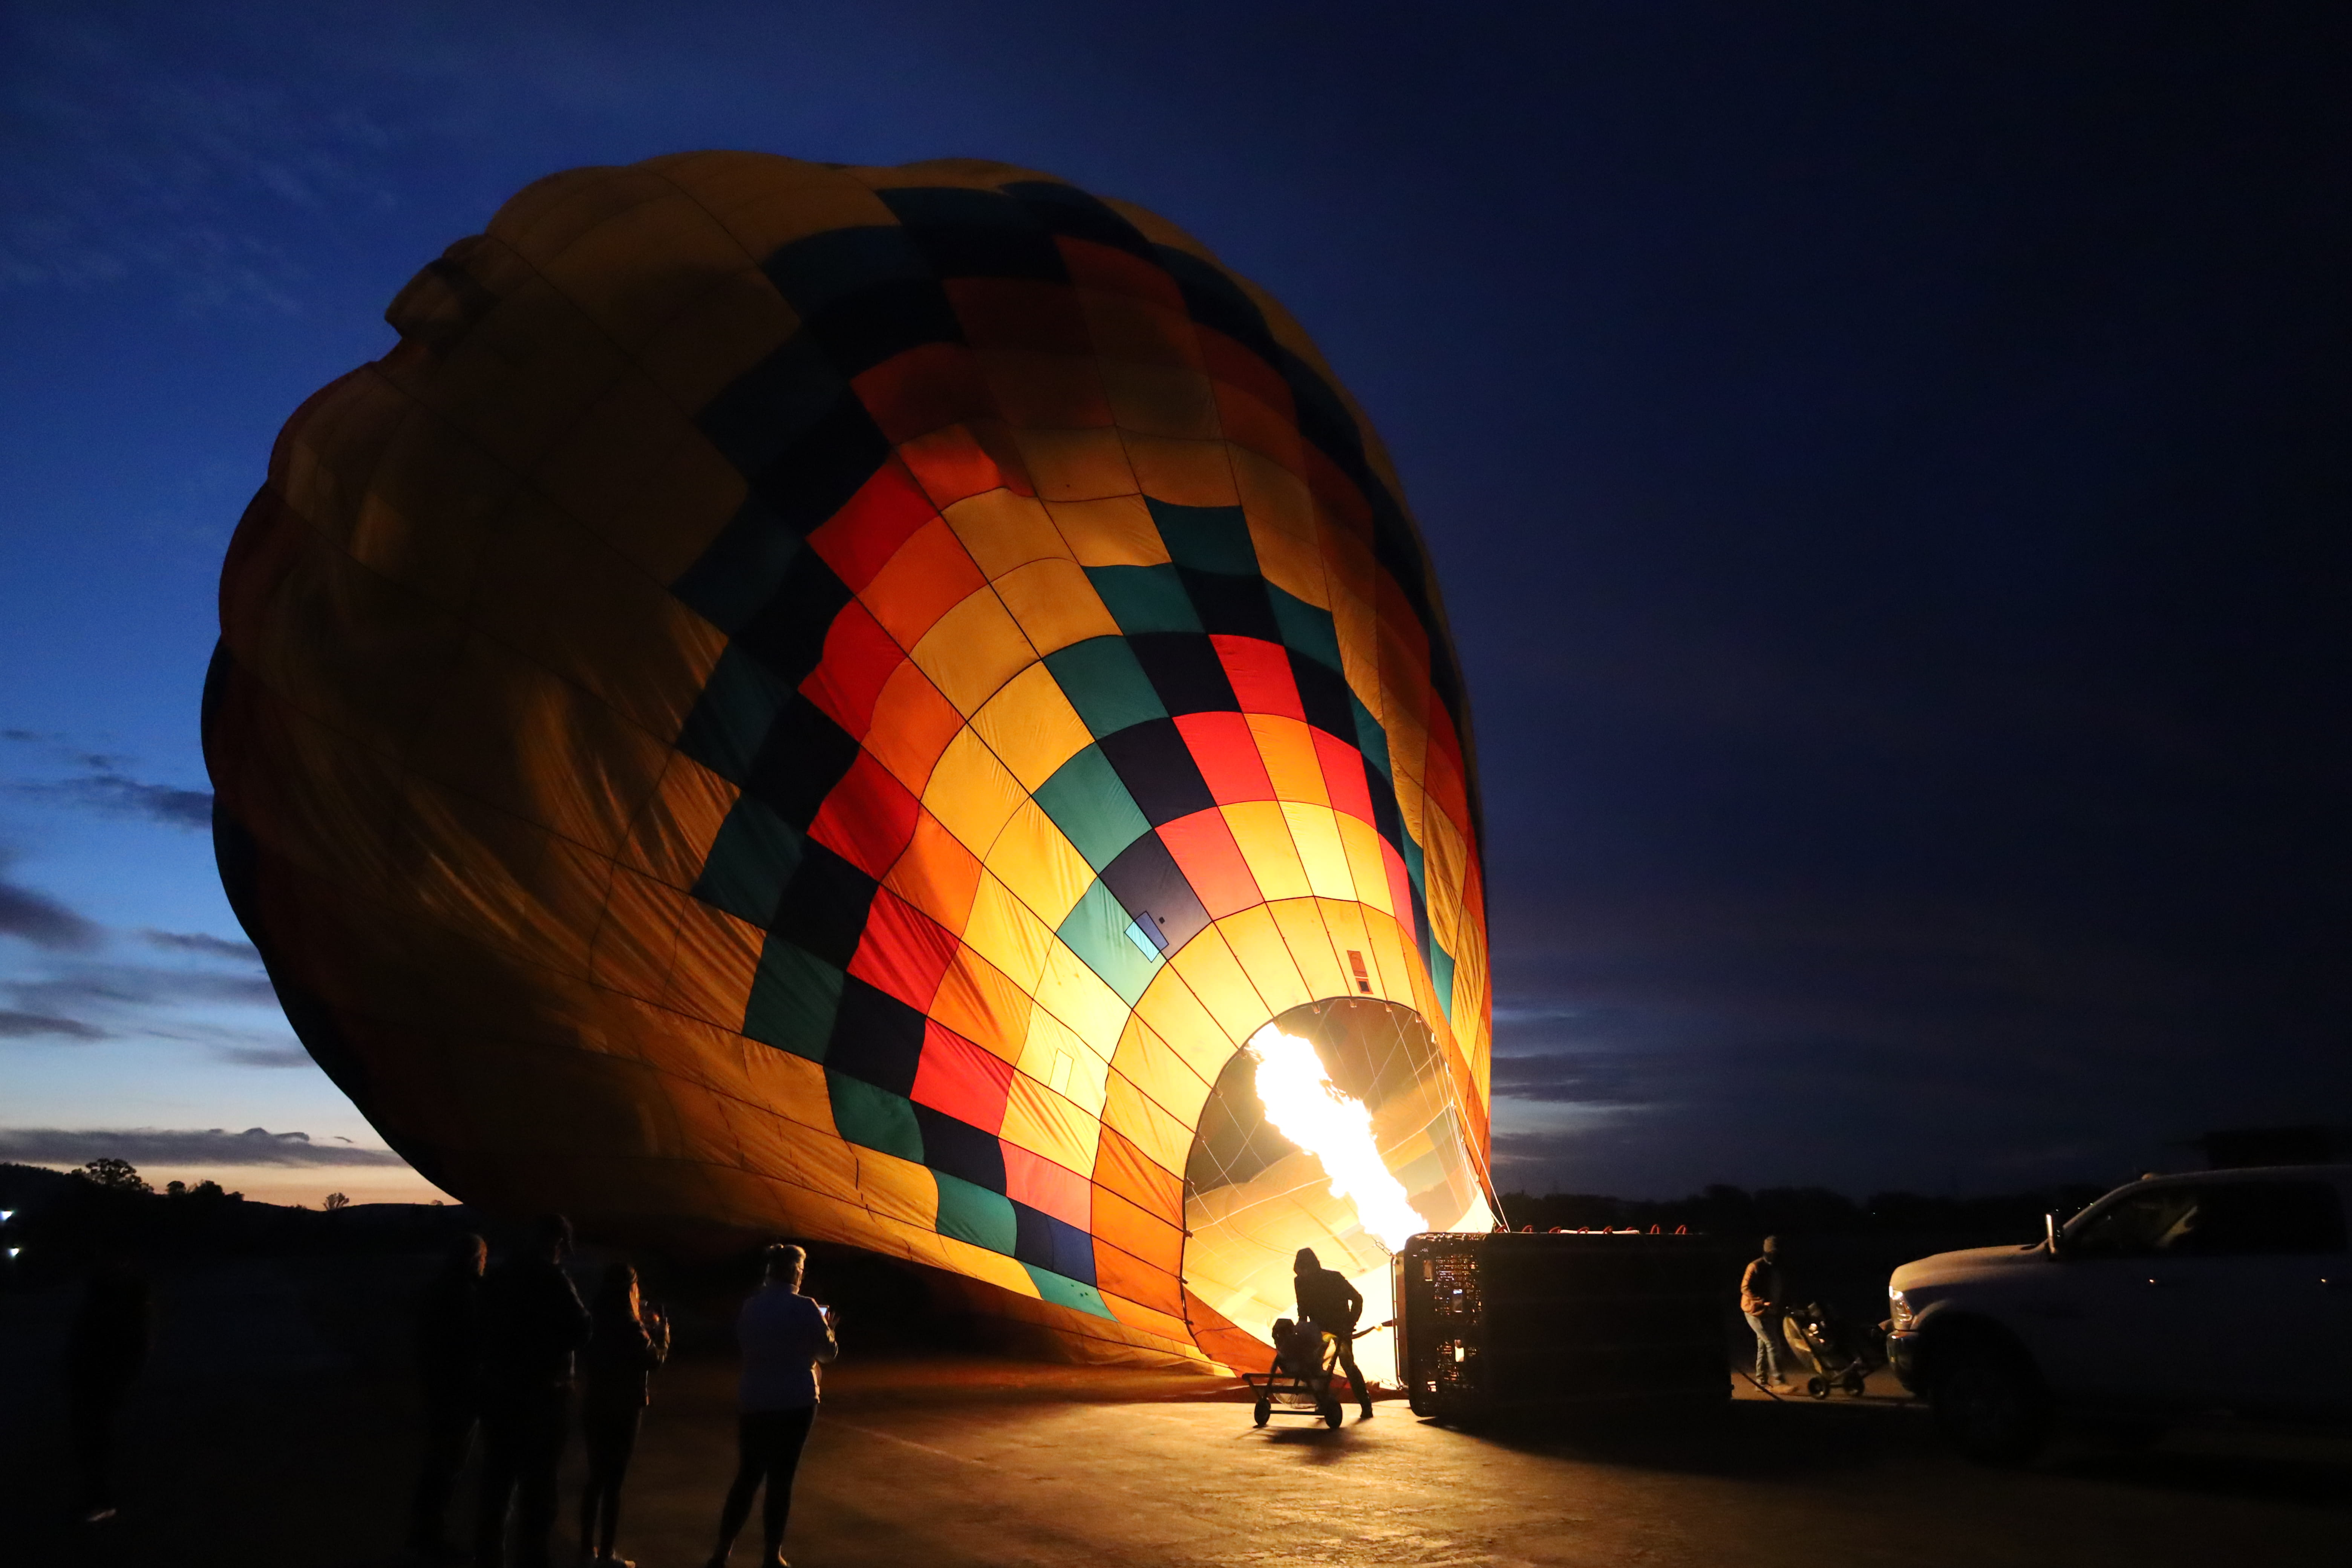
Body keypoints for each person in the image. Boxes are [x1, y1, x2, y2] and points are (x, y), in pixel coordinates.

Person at [707, 1243, 837, 1568]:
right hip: (796, 1400)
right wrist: (830, 1332)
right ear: (795, 1271)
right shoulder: (806, 1307)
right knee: (781, 1479)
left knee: (748, 1476)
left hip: (756, 1399)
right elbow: (827, 1355)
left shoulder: (751, 1307)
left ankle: (722, 1552)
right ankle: (771, 1554)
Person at [475, 1216, 591, 1568]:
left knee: (498, 1480)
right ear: (555, 1243)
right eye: (562, 1246)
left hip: (499, 1392)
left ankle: (490, 1557)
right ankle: (533, 1556)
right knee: (539, 1485)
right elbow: (581, 1329)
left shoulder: (498, 1277)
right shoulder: (553, 1279)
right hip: (543, 1395)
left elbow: (480, 1326)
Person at [577, 1262, 670, 1568]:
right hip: (625, 1408)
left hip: (595, 1404)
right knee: (613, 1483)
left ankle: (585, 1550)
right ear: (630, 1289)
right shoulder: (632, 1328)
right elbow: (653, 1360)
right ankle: (607, 1553)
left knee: (595, 1478)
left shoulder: (596, 1321)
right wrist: (662, 1336)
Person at [408, 1233, 487, 1559]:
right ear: (474, 1260)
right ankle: (430, 1540)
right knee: (446, 1466)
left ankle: (424, 1536)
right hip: (459, 1394)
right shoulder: (465, 1295)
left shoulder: (438, 1290)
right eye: (483, 1259)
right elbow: (475, 1345)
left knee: (439, 1465)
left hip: (440, 1389)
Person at [66, 1254, 152, 1524]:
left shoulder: (117, 1297)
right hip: (97, 1375)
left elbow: (133, 1340)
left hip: (100, 1376)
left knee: (98, 1438)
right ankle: (100, 1497)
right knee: (97, 1437)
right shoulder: (122, 1295)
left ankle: (100, 1498)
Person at [1291, 1247, 1374, 1419]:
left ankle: (1360, 1404)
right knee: (1332, 1365)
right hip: (1329, 1330)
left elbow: (1303, 1309)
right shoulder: (1316, 1280)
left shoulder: (1317, 1280)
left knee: (1339, 1364)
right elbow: (1357, 1299)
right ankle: (1339, 1403)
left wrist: (1350, 1323)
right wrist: (1351, 1322)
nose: (1303, 1275)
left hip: (1329, 1331)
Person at [1741, 1235, 1789, 1388]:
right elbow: (1745, 1288)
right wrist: (1762, 1301)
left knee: (1763, 1345)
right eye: (1773, 1252)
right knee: (1772, 1343)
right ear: (1767, 1251)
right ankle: (1778, 1380)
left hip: (1768, 1311)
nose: (1775, 1255)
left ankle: (1761, 1382)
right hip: (1754, 1312)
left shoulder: (1774, 1267)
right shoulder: (1755, 1266)